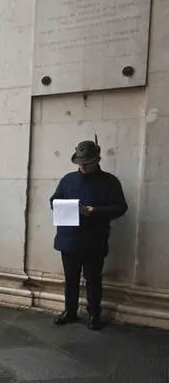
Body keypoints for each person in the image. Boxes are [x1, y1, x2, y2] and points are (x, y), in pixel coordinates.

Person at [50, 140, 127, 331]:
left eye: (86, 163)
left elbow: (120, 207)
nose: (82, 166)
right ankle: (70, 311)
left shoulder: (110, 181)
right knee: (70, 279)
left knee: (93, 280)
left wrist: (95, 211)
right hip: (69, 239)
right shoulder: (68, 179)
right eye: (79, 163)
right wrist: (62, 205)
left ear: (97, 160)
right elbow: (54, 200)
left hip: (94, 240)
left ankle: (94, 315)